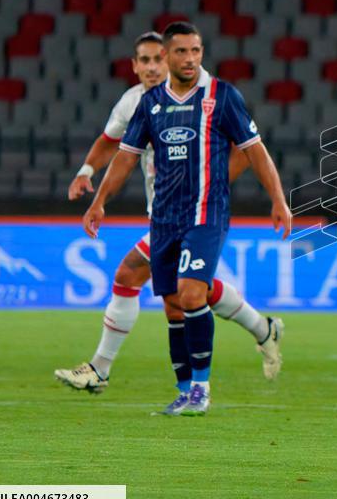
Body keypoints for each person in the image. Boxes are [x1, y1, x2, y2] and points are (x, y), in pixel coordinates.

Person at [55, 32, 285, 395]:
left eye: (156, 60)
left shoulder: (208, 97)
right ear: (134, 66)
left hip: (197, 212)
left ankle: (102, 369)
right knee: (185, 295)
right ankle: (261, 331)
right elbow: (111, 145)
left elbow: (246, 149)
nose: (151, 67)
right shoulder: (136, 102)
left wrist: (207, 186)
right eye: (143, 61)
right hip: (162, 216)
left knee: (132, 276)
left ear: (169, 60)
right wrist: (87, 172)